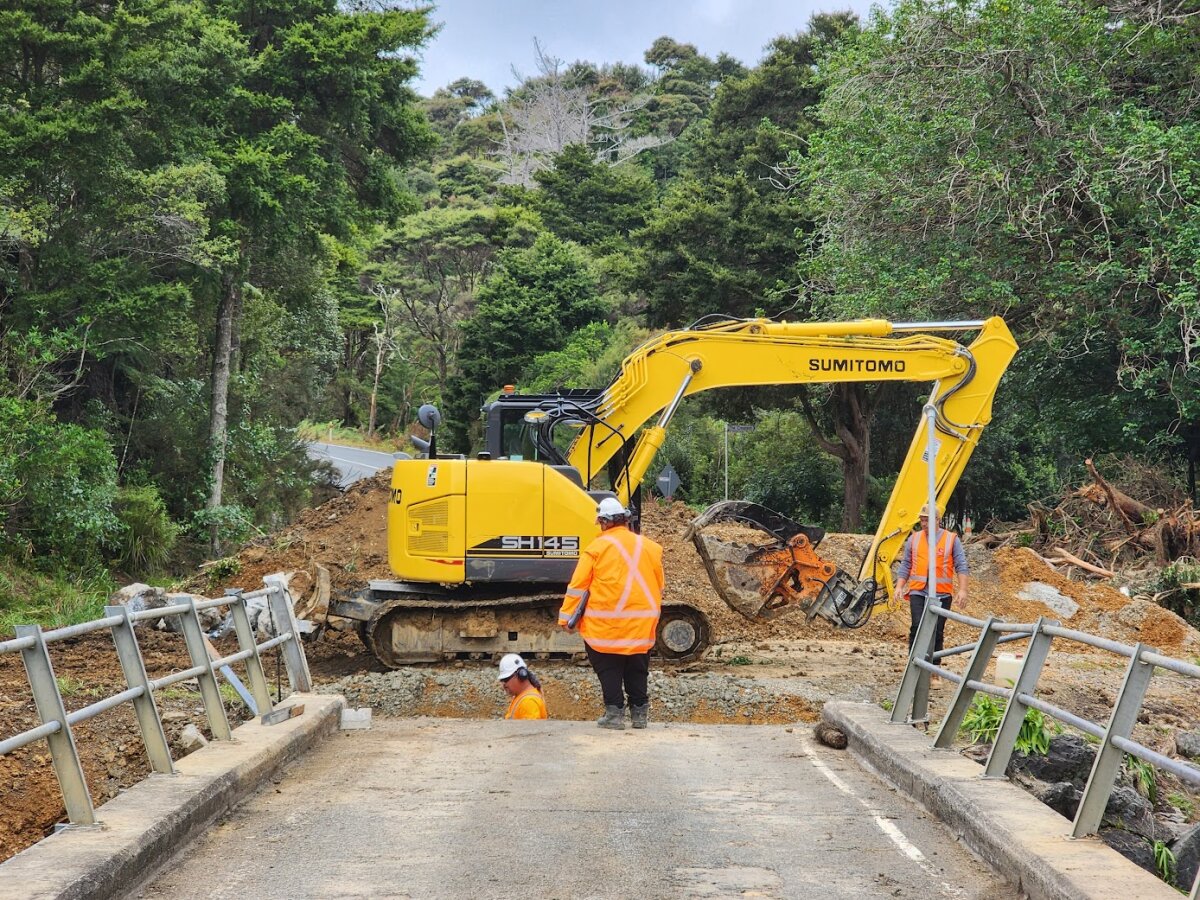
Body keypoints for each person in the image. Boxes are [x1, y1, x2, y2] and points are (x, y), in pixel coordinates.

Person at [559, 497, 664, 730]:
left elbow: (578, 587)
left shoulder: (596, 549)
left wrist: (566, 618)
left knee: (609, 666)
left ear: (604, 522)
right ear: (624, 520)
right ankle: (639, 715)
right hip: (642, 623)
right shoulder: (650, 548)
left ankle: (614, 714)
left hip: (607, 625)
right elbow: (659, 584)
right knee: (638, 666)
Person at [893, 503, 969, 659]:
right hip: (918, 591)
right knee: (916, 626)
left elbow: (961, 565)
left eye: (927, 520)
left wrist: (963, 590)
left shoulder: (951, 539)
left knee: (937, 630)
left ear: (937, 520)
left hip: (942, 593)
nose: (924, 524)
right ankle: (913, 664)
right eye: (922, 520)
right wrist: (899, 586)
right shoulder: (914, 539)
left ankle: (934, 669)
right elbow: (906, 564)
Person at [497, 653, 548, 720]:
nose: (503, 685)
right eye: (502, 680)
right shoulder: (521, 696)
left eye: (506, 679)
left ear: (521, 675)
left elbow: (532, 730)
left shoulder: (529, 702)